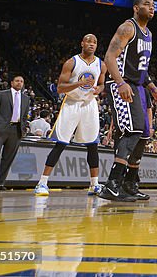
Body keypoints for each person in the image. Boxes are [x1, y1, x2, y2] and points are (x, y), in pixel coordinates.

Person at [98, 0, 157, 202]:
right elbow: (110, 57)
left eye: (154, 5)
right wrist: (120, 83)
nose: (151, 7)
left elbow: (142, 68)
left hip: (138, 86)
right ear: (136, 8)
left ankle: (130, 184)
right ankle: (111, 185)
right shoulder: (128, 28)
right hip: (121, 84)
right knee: (133, 129)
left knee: (144, 134)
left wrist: (153, 88)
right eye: (147, 4)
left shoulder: (149, 34)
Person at [34, 34, 106, 197]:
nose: (91, 44)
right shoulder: (72, 62)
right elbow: (60, 88)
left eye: (95, 42)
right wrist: (79, 83)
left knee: (93, 145)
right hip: (71, 103)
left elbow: (101, 84)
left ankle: (94, 185)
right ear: (82, 43)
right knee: (61, 143)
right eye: (88, 41)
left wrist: (98, 90)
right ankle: (42, 183)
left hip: (89, 104)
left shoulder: (101, 64)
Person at [0, 74, 32, 190]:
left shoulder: (26, 99)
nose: (19, 83)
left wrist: (23, 128)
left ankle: (0, 183)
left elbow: (24, 116)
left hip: (16, 130)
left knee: (8, 159)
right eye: (17, 81)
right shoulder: (2, 94)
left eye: (21, 81)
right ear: (12, 83)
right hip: (0, 129)